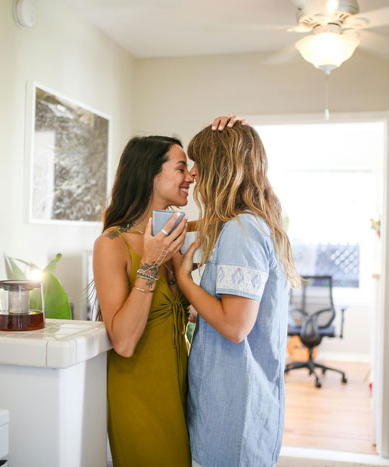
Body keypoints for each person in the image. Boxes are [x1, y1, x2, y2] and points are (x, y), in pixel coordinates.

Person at [93, 117, 239, 467]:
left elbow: (237, 213)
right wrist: (149, 263)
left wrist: (235, 137)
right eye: (181, 168)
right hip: (140, 395)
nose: (191, 176)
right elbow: (124, 342)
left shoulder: (173, 234)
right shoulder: (111, 244)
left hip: (182, 390)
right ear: (150, 175)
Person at [175, 122, 300, 466]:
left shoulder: (241, 231)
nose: (194, 173)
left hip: (233, 407)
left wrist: (185, 280)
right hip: (244, 401)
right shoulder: (250, 223)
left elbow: (235, 326)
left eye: (199, 162)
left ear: (220, 167)